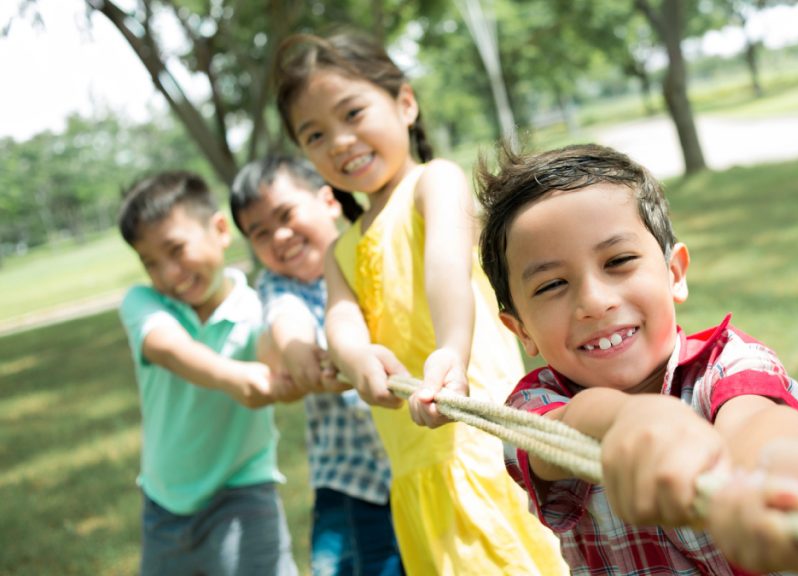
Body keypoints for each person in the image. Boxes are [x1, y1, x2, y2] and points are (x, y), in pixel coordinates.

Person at [456, 142, 798, 575]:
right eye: (552, 285)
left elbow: (761, 422)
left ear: (674, 274)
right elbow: (565, 427)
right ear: (521, 330)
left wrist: (786, 472)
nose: (594, 301)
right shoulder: (531, 409)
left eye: (619, 261)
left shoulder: (728, 364)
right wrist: (623, 417)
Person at [272, 30, 567, 576]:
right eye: (315, 134)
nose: (339, 141)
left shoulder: (436, 182)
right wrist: (356, 356)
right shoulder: (342, 247)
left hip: (482, 452)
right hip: (412, 478)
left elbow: (446, 271)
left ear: (405, 103)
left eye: (353, 113)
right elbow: (341, 316)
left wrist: (451, 350)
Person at [117, 170, 298, 576]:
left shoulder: (257, 310)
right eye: (151, 263)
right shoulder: (143, 302)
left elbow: (280, 351)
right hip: (164, 506)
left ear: (220, 229)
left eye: (176, 250)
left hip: (244, 495)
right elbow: (169, 350)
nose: (168, 274)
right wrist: (234, 377)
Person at [230, 155, 402, 576]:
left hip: (416, 462)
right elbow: (287, 321)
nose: (280, 236)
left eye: (286, 215)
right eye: (260, 233)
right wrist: (297, 352)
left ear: (328, 201)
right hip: (350, 481)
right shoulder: (280, 284)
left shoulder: (372, 249)